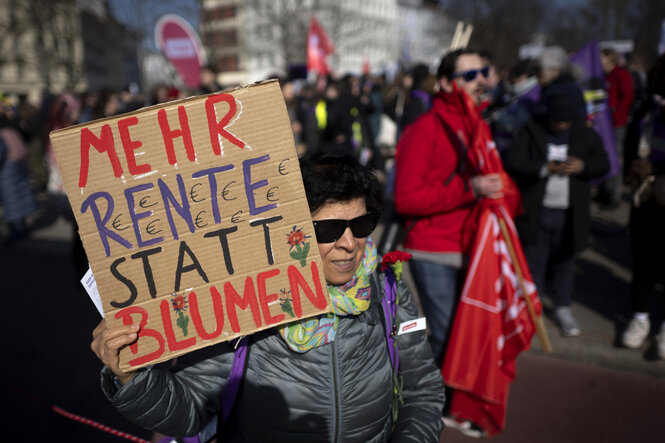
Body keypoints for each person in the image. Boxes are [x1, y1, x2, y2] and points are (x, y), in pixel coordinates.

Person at [91, 152, 446, 442]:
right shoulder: (246, 301)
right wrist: (132, 378)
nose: (350, 243)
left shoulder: (387, 287)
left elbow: (422, 391)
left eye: (362, 224)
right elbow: (188, 412)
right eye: (329, 229)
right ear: (295, 232)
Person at [393, 48, 504, 365]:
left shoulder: (479, 125)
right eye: (469, 75)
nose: (480, 80)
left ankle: (455, 406)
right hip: (434, 250)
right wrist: (469, 188)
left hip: (473, 246)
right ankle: (435, 408)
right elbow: (407, 199)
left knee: (470, 335)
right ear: (444, 82)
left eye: (482, 72)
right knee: (447, 335)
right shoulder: (424, 129)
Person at [504, 80, 610, 337]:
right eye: (556, 121)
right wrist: (543, 168)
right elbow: (513, 161)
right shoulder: (531, 131)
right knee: (534, 262)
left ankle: (563, 307)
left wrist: (582, 166)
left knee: (565, 263)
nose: (560, 125)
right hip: (537, 212)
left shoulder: (586, 135)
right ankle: (532, 309)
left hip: (571, 215)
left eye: (565, 121)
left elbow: (603, 164)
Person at [621, 53, 665, 357]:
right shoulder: (646, 111)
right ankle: (639, 319)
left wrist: (657, 166)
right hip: (645, 199)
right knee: (644, 262)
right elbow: (628, 147)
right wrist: (632, 169)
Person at [598, 47, 634, 208]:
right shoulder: (601, 75)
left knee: (614, 158)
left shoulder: (621, 74)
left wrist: (616, 116)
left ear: (610, 60)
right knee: (601, 157)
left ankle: (614, 196)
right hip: (602, 124)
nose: (599, 61)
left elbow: (627, 98)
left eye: (602, 58)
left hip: (616, 124)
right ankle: (603, 191)